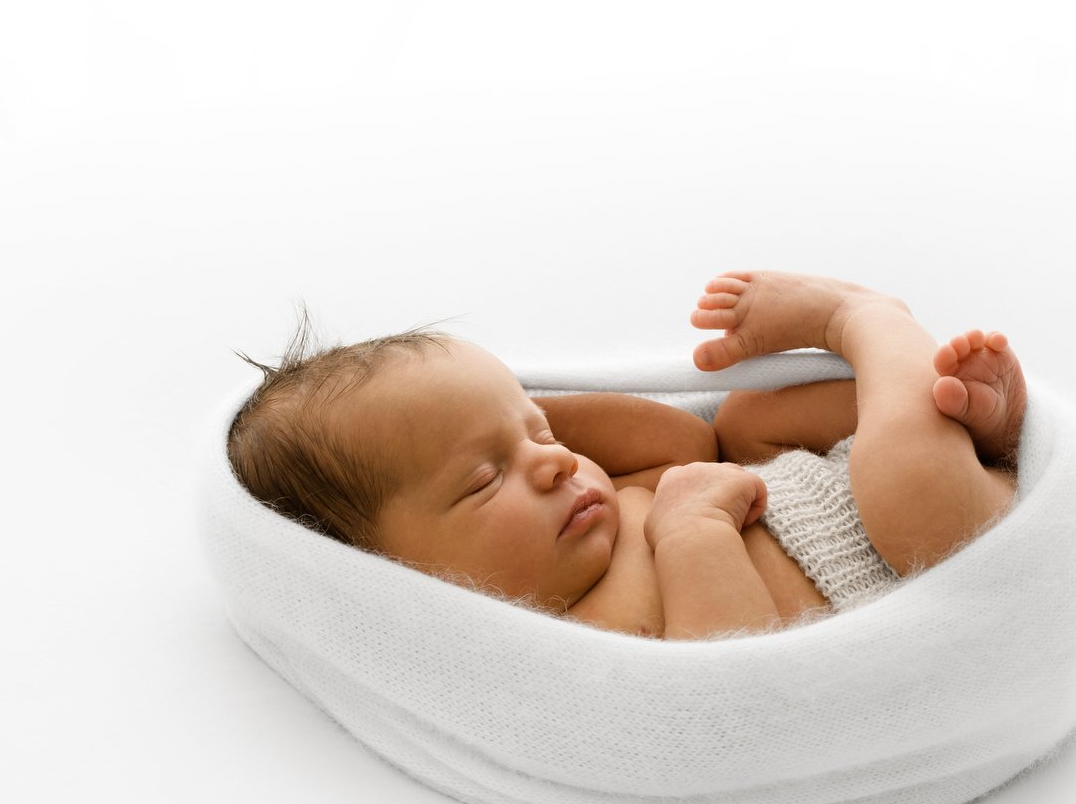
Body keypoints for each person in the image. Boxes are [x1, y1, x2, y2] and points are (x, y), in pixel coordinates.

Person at [227, 270, 1027, 639]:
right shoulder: (577, 632)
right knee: (911, 498)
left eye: (541, 435)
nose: (553, 462)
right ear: (395, 574)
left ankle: (965, 427)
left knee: (747, 420)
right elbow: (737, 674)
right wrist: (690, 535)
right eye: (481, 479)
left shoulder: (590, 512)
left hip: (818, 477)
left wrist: (514, 419)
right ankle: (871, 323)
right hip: (914, 557)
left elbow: (690, 441)